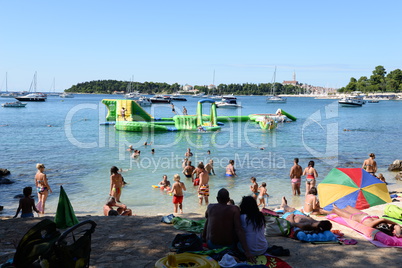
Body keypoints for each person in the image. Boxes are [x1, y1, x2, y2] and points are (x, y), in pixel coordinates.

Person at [202, 188, 254, 261]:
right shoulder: (234, 209)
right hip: (230, 246)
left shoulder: (210, 207)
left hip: (212, 245)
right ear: (228, 199)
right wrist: (247, 251)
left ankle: (203, 239)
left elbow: (206, 216)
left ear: (217, 198)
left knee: (208, 220)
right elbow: (239, 230)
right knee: (236, 226)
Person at [331, 204, 401, 237]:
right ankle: (326, 211)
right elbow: (397, 227)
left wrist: (394, 223)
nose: (383, 224)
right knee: (348, 206)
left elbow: (383, 219)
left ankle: (323, 211)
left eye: (382, 225)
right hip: (363, 214)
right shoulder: (386, 226)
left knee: (335, 209)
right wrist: (398, 232)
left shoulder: (371, 224)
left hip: (353, 217)